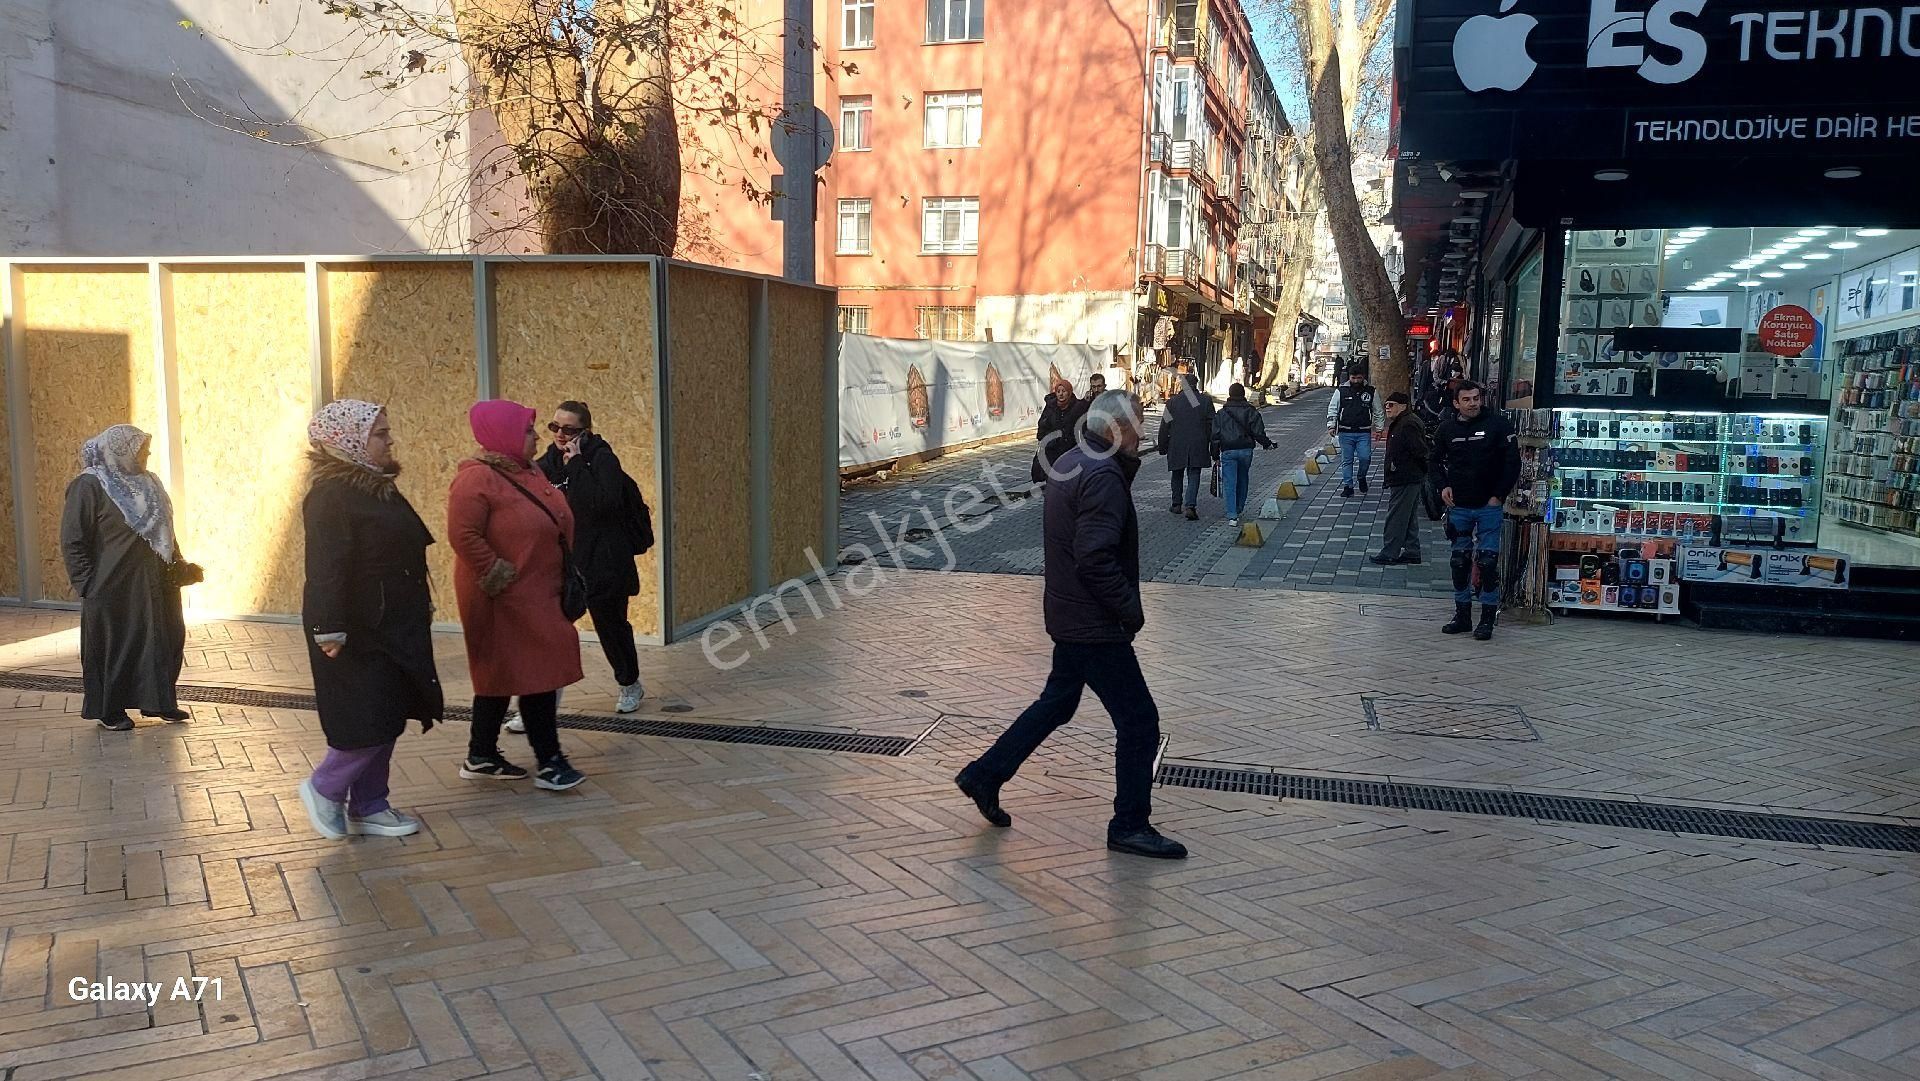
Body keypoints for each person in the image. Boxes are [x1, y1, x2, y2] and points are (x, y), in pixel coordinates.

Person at [955, 391, 1186, 860]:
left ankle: (985, 775)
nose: (1143, 434)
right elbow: (1094, 558)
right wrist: (1129, 609)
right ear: (1117, 429)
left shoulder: (1076, 461)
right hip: (1093, 624)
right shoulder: (1102, 476)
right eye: (1138, 424)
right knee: (1140, 723)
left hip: (1070, 615)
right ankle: (1129, 825)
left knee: (1057, 704)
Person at [297, 401, 443, 839]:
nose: (389, 440)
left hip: (392, 623)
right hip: (354, 630)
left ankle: (369, 804)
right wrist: (328, 626)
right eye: (379, 434)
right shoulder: (330, 495)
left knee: (389, 711)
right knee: (367, 717)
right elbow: (325, 565)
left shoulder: (376, 487)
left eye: (386, 431)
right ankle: (324, 786)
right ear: (351, 440)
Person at [448, 400, 587, 791]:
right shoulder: (475, 479)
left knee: (504, 669)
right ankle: (550, 760)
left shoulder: (529, 470)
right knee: (537, 668)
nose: (537, 436)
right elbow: (462, 535)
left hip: (536, 587)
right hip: (503, 593)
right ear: (503, 435)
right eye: (528, 430)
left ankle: (481, 754)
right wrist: (496, 572)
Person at [60, 425, 193, 732]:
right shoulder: (90, 485)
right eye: (140, 449)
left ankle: (159, 701)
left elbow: (164, 530)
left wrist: (179, 562)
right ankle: (110, 709)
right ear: (120, 450)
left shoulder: (149, 482)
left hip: (156, 582)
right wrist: (88, 584)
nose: (146, 454)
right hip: (112, 586)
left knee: (164, 638)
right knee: (117, 646)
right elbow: (73, 539)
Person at [534, 400, 647, 716]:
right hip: (567, 563)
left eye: (569, 429)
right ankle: (540, 706)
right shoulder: (547, 464)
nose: (560, 434)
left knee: (610, 626)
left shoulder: (602, 459)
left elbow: (602, 504)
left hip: (605, 560)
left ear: (586, 431)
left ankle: (630, 683)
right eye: (555, 426)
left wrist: (577, 465)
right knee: (553, 632)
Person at [1431, 380, 1522, 640]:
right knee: (1459, 561)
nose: (1473, 403)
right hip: (1459, 506)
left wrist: (1499, 495)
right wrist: (1442, 486)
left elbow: (1512, 463)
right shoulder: (1446, 429)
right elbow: (1434, 461)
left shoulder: (1498, 426)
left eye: (1476, 398)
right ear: (1456, 403)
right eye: (1467, 399)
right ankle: (1462, 615)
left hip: (1488, 506)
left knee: (1487, 562)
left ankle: (1487, 619)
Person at [1370, 392, 1431, 566]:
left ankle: (1390, 552)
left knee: (1396, 516)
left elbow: (1420, 451)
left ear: (1403, 406)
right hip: (1406, 476)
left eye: (1391, 404)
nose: (1387, 408)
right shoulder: (1403, 422)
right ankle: (1412, 551)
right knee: (1409, 516)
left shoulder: (1408, 424)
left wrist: (1419, 470)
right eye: (1386, 405)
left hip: (1406, 476)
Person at [1213, 383, 1276, 526]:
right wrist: (1267, 444)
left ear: (1229, 394)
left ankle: (1232, 515)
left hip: (1228, 450)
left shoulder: (1222, 414)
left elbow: (1215, 436)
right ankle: (1239, 507)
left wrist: (1215, 455)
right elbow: (1258, 431)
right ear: (1243, 394)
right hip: (1246, 450)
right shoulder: (1251, 411)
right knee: (1243, 479)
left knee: (1230, 482)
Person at [1156, 372, 1214, 520]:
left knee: (1177, 473)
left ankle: (1176, 504)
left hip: (1176, 444)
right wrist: (1213, 447)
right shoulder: (1205, 401)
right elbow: (1212, 426)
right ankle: (1190, 505)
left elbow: (1165, 425)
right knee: (1194, 474)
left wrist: (1162, 445)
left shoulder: (1172, 402)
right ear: (1196, 384)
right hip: (1198, 444)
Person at [1327, 364, 1385, 497]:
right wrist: (1331, 425)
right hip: (1345, 432)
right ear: (1349, 377)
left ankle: (1361, 476)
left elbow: (1378, 411)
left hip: (1363, 432)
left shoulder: (1371, 391)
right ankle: (1348, 486)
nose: (1356, 381)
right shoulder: (1341, 391)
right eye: (1353, 378)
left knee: (1365, 458)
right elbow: (1333, 409)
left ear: (1363, 377)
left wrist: (1379, 429)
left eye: (1359, 378)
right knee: (1347, 460)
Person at [1032, 379, 1087, 484]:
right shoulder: (1051, 407)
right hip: (1053, 450)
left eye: (1064, 391)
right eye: (1058, 391)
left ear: (1069, 392)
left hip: (1071, 451)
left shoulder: (1078, 407)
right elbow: (1043, 424)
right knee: (1052, 481)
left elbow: (1083, 427)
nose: (1061, 394)